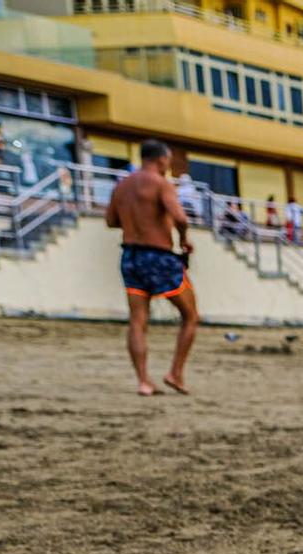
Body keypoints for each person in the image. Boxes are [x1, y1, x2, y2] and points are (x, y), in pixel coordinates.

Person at [104, 139, 198, 397]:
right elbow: (180, 217)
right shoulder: (161, 183)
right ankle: (175, 373)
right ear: (162, 160)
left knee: (137, 321)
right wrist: (184, 240)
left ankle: (144, 381)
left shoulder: (121, 186)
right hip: (159, 256)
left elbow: (111, 220)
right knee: (190, 315)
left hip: (131, 256)